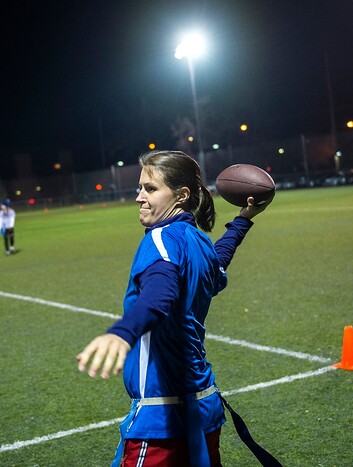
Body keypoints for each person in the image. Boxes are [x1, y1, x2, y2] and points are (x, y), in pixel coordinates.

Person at [76, 150, 274, 466]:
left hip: (162, 421)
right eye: (140, 188)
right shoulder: (197, 240)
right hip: (204, 408)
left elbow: (160, 294)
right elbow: (217, 264)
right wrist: (242, 221)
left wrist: (122, 333)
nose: (139, 198)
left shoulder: (159, 240)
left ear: (181, 195)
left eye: (150, 189)